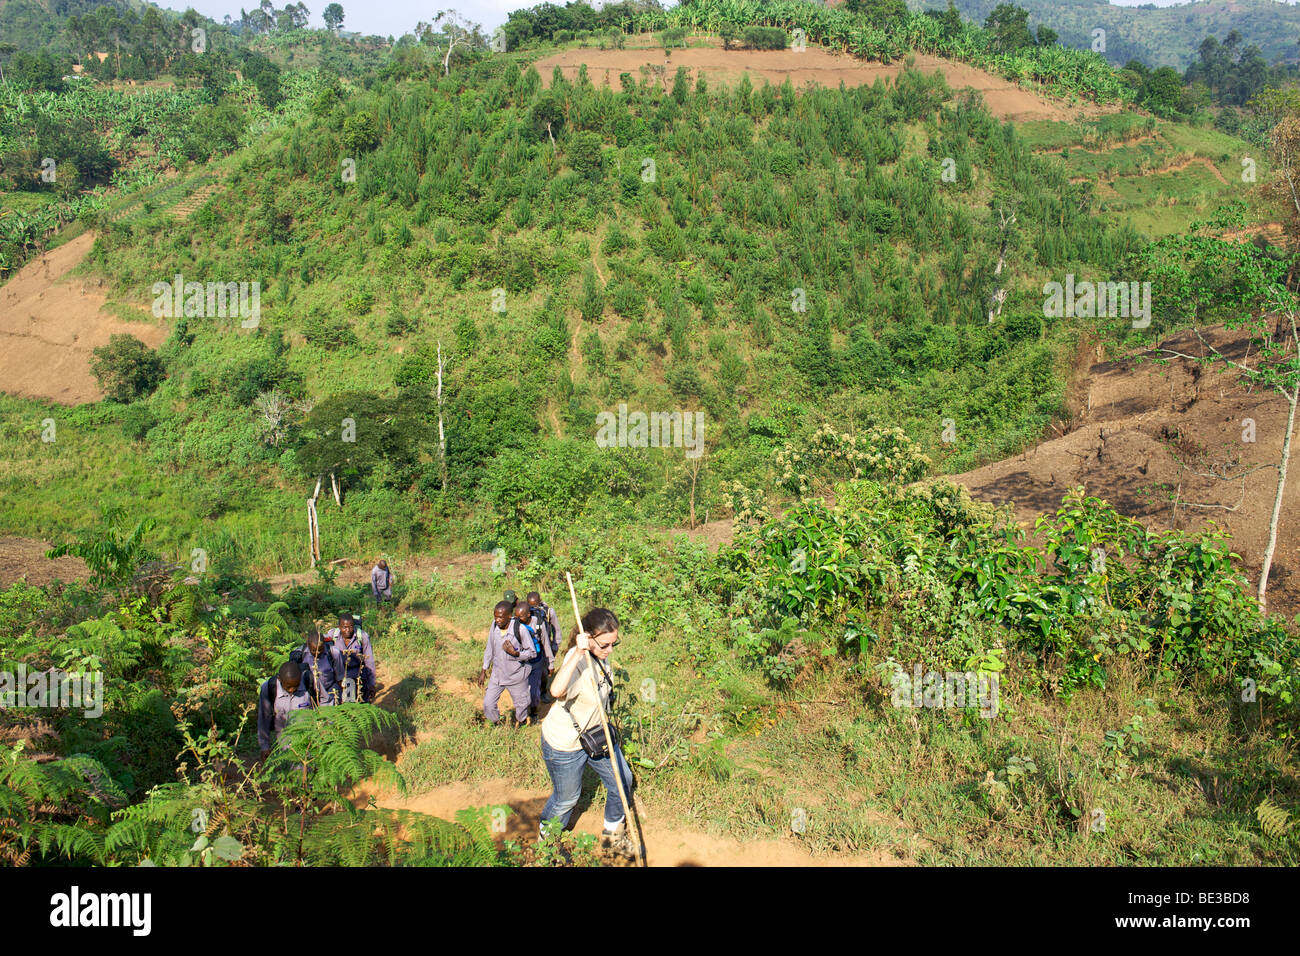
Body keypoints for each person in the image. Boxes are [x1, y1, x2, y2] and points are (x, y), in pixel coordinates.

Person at [539, 607, 636, 859]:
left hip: (597, 735)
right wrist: (578, 653)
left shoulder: (601, 654)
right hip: (565, 744)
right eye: (605, 644)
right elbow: (556, 691)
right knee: (567, 799)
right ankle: (546, 845)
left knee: (623, 781)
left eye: (614, 643)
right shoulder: (577, 658)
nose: (610, 650)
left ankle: (613, 837)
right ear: (589, 638)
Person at [479, 600, 535, 726]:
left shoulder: (520, 630)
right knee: (488, 703)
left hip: (516, 676)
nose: (497, 620)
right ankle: (497, 722)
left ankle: (521, 721)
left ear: (509, 616)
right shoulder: (494, 626)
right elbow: (490, 648)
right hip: (497, 675)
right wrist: (484, 670)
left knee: (521, 704)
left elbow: (532, 653)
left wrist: (516, 654)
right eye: (495, 616)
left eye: (500, 617)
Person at [258, 661, 313, 761]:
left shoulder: (309, 681)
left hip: (309, 744)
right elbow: (264, 718)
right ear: (279, 679)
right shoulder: (269, 688)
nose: (292, 690)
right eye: (288, 687)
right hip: (284, 744)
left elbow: (325, 701)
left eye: (296, 686)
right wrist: (264, 746)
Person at [512, 599, 552, 721]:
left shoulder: (539, 624)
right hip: (521, 663)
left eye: (521, 616)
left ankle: (534, 712)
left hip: (536, 661)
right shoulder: (515, 624)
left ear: (528, 614)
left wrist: (551, 663)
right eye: (516, 616)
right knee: (522, 692)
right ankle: (522, 715)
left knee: (534, 692)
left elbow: (545, 643)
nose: (518, 619)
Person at [326, 612, 377, 703]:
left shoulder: (362, 637)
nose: (348, 630)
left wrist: (371, 684)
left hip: (358, 675)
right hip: (339, 676)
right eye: (344, 627)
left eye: (350, 627)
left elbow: (369, 661)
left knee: (361, 704)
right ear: (339, 627)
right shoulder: (333, 636)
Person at [527, 591, 561, 702]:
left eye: (535, 604)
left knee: (544, 673)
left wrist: (555, 647)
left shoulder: (548, 612)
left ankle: (543, 692)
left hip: (545, 647)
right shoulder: (525, 612)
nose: (533, 608)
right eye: (531, 605)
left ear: (540, 601)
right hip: (530, 648)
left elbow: (556, 630)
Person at [298, 630, 344, 706]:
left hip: (329, 690)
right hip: (308, 693)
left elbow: (340, 677)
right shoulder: (301, 654)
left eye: (320, 649)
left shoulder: (334, 653)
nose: (317, 653)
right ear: (308, 645)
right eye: (314, 650)